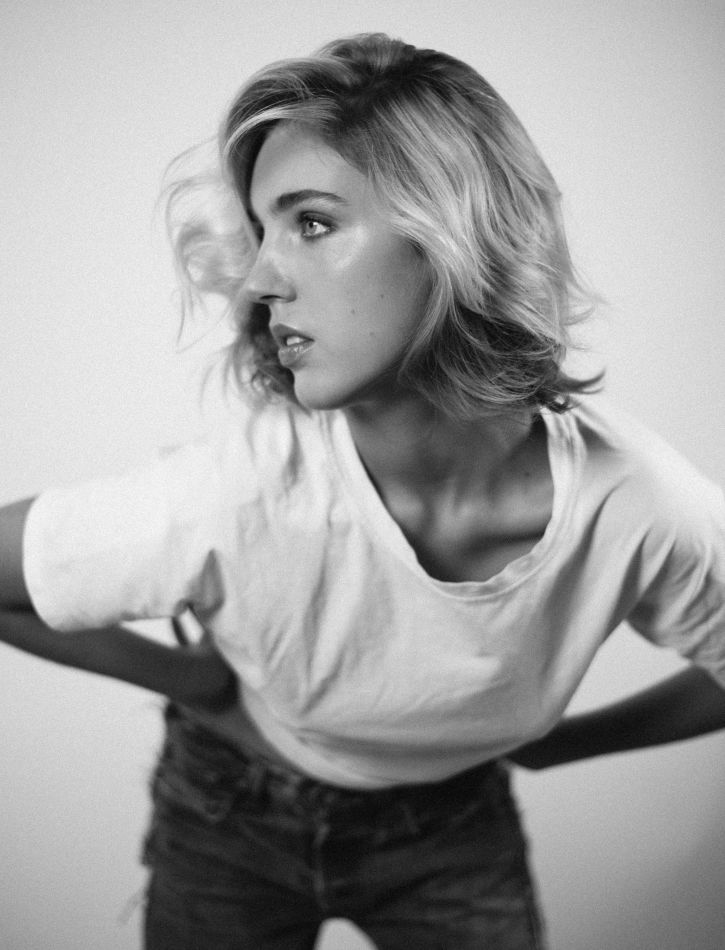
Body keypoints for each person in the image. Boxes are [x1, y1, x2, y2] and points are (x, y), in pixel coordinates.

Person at [1, 32, 724, 950]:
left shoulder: (637, 504)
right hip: (229, 816)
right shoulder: (239, 491)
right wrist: (188, 679)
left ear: (454, 233)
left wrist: (563, 744)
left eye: (310, 223)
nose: (260, 279)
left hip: (452, 830)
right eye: (261, 231)